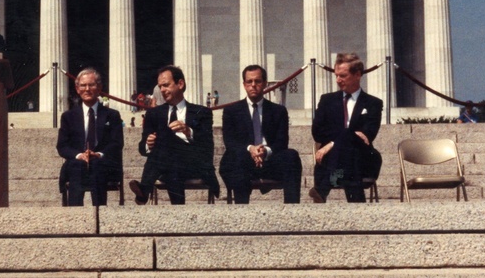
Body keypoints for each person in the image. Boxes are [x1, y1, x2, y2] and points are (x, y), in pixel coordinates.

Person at [129, 65, 219, 205]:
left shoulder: (201, 112)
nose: (162, 90)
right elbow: (142, 148)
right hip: (168, 166)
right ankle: (178, 209)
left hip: (194, 164)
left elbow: (207, 145)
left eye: (166, 85)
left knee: (167, 142)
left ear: (180, 84)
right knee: (171, 162)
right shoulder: (154, 114)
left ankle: (144, 190)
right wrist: (148, 143)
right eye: (160, 87)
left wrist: (189, 132)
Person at [218, 65, 302, 204]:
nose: (253, 85)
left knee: (291, 156)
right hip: (244, 161)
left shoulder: (278, 111)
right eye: (249, 82)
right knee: (236, 158)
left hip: (270, 161)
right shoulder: (231, 111)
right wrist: (251, 149)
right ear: (244, 84)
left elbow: (282, 142)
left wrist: (265, 151)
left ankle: (292, 210)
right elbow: (230, 142)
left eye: (257, 81)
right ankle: (241, 210)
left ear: (264, 83)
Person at [310, 52, 383, 203]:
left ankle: (322, 189)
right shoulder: (327, 100)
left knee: (352, 150)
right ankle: (358, 204)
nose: (338, 80)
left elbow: (369, 134)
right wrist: (348, 136)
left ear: (357, 75)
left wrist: (331, 144)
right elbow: (317, 132)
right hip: (338, 161)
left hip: (365, 159)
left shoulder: (373, 103)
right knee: (349, 152)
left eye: (342, 76)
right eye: (336, 75)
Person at [56, 68, 123, 206]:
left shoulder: (112, 115)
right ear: (77, 88)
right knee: (77, 166)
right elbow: (62, 146)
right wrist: (80, 155)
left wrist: (98, 154)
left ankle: (100, 213)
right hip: (77, 163)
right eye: (83, 85)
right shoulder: (68, 116)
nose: (87, 89)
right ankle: (75, 216)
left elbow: (117, 143)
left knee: (97, 165)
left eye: (91, 85)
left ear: (99, 87)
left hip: (102, 163)